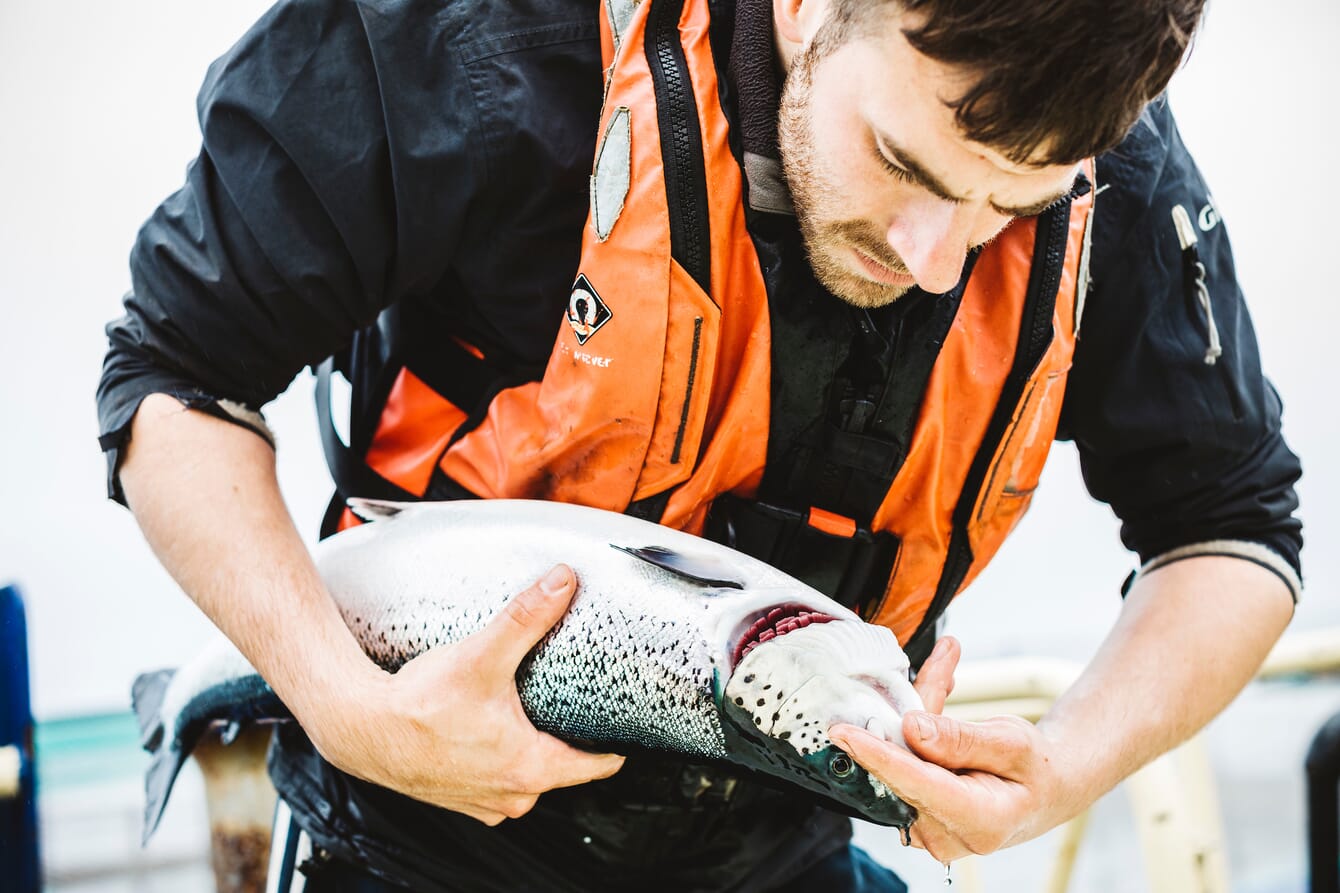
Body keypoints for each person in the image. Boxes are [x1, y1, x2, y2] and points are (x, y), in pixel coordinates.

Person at [96, 0, 1302, 888]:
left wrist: (1067, 764)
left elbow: (1233, 534)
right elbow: (172, 377)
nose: (937, 257)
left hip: (783, 852)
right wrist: (340, 700)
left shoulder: (1105, 157)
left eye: (1010, 211)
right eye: (901, 163)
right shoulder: (472, 40)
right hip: (412, 841)